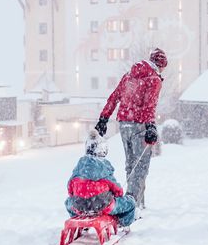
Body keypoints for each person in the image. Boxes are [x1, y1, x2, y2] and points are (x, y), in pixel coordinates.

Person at [94, 48, 167, 209]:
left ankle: (136, 203)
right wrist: (150, 127)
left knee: (131, 164)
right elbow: (149, 105)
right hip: (140, 125)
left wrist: (104, 118)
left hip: (124, 124)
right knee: (140, 166)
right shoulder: (154, 79)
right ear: (160, 65)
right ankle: (132, 207)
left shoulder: (129, 75)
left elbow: (114, 97)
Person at [65, 129, 136, 228]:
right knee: (130, 203)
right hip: (103, 206)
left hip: (79, 206)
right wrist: (118, 196)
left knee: (68, 202)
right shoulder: (103, 166)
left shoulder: (79, 167)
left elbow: (70, 188)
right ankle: (122, 223)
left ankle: (80, 223)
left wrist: (79, 197)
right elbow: (117, 189)